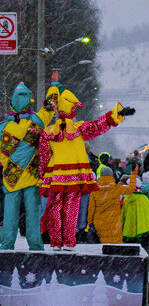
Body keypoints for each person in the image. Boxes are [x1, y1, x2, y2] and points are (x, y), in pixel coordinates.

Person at [37, 89, 133, 251]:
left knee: (56, 208)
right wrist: (114, 114)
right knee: (71, 209)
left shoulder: (48, 133)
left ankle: (56, 242)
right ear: (72, 111)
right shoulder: (78, 129)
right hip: (75, 176)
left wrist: (41, 175)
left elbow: (44, 156)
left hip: (56, 177)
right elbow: (97, 126)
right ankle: (68, 240)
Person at [0, 82, 53, 251]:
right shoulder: (37, 122)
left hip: (12, 176)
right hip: (32, 175)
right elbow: (50, 106)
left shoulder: (3, 128)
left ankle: (7, 244)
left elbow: (1, 155)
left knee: (10, 214)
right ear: (30, 104)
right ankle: (35, 245)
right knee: (33, 213)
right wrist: (54, 84)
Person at [88, 170, 132, 243]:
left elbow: (91, 208)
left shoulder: (95, 190)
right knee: (115, 242)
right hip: (115, 221)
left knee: (103, 243)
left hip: (99, 220)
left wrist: (90, 221)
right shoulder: (116, 188)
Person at [121, 174, 149, 262]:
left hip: (128, 230)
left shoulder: (127, 198)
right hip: (142, 229)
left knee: (129, 251)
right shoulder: (144, 198)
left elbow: (123, 215)